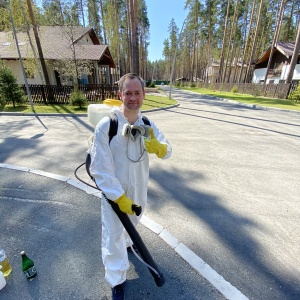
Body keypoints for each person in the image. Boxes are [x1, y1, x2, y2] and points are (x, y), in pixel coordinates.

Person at [89, 73, 172, 300]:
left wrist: (159, 147)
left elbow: (168, 149)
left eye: (137, 92)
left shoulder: (147, 124)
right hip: (114, 195)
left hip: (139, 191)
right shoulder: (108, 126)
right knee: (113, 234)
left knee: (132, 224)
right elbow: (100, 169)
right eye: (128, 93)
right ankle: (116, 279)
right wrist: (119, 197)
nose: (132, 97)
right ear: (120, 95)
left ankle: (127, 244)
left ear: (143, 95)